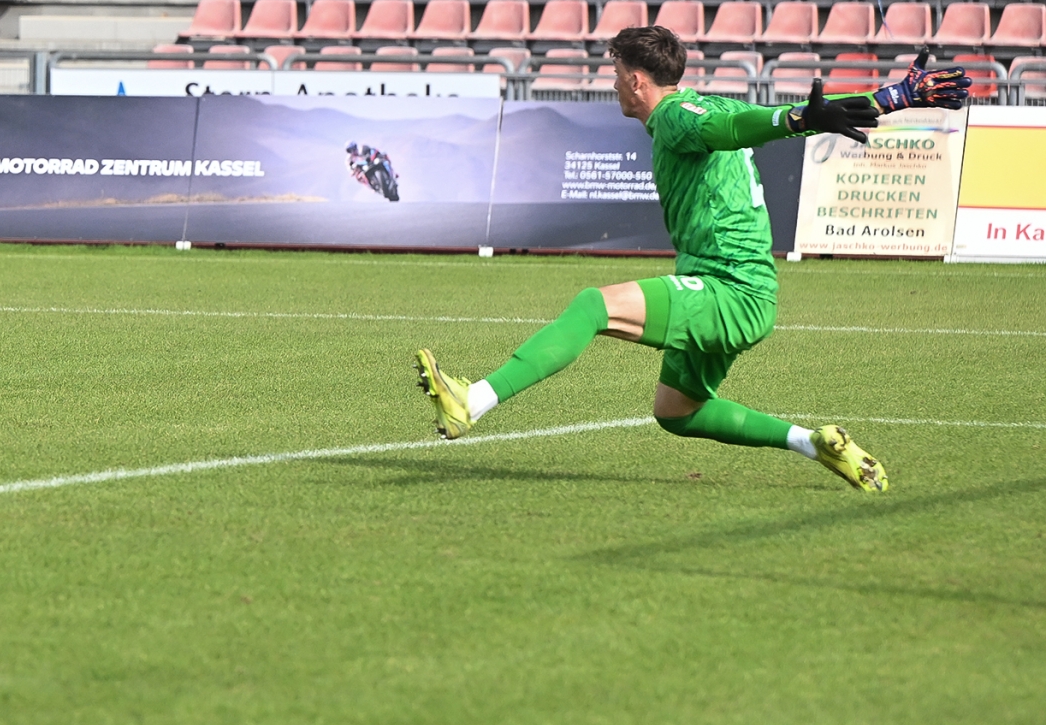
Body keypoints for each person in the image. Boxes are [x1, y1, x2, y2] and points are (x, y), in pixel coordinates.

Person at [412, 26, 969, 493]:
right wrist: (890, 98)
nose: (613, 84)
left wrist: (798, 121)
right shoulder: (708, 102)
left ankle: (471, 402)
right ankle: (813, 442)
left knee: (593, 307)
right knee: (678, 412)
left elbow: (737, 127)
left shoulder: (678, 115)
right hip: (736, 289)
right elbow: (764, 116)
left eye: (615, 75)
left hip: (731, 291)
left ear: (636, 80)